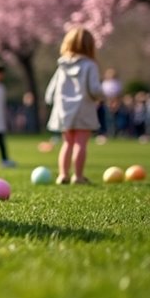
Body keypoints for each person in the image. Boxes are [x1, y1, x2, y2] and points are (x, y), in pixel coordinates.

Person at [45, 26, 104, 184]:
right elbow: (94, 89)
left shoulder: (62, 65)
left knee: (67, 143)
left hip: (64, 110)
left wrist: (51, 100)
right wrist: (103, 95)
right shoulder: (90, 65)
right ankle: (78, 176)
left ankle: (63, 175)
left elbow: (52, 89)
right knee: (80, 144)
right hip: (83, 110)